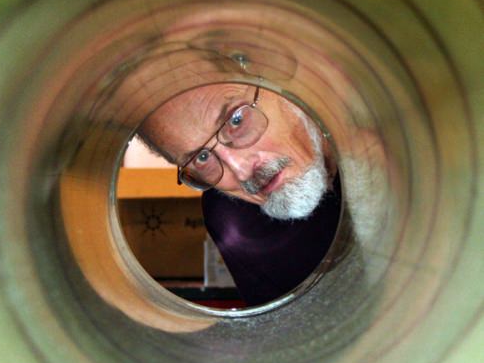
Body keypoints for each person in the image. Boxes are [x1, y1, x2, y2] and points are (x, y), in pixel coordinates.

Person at [139, 83, 342, 306]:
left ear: (279, 84)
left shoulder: (375, 128)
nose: (241, 171)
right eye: (201, 158)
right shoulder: (234, 218)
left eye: (236, 120)